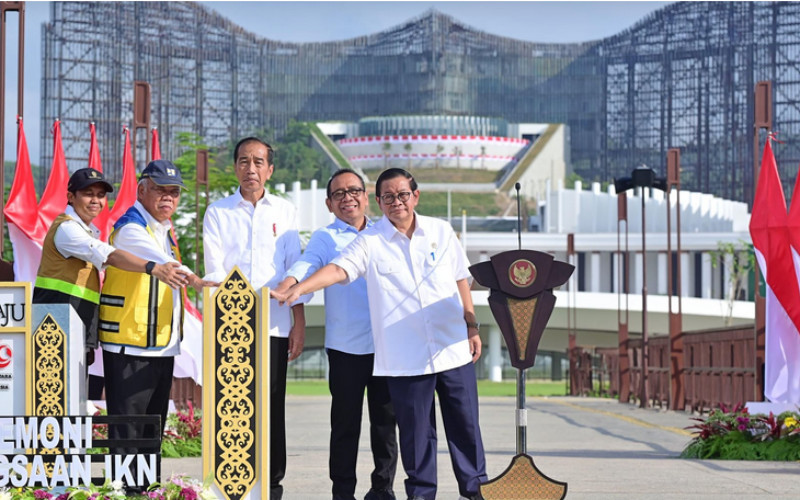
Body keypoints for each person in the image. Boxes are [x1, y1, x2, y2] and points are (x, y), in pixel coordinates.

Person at [272, 168, 487, 500]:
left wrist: (471, 324)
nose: (396, 202)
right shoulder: (360, 241)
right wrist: (295, 289)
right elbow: (331, 269)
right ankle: (398, 494)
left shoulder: (439, 231)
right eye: (388, 196)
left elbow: (461, 277)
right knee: (409, 434)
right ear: (379, 201)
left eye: (402, 195)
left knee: (454, 425)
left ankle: (462, 491)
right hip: (394, 354)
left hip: (441, 346)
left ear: (415, 196)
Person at [276, 169, 398, 500]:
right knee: (344, 426)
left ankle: (382, 490)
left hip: (386, 346)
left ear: (367, 196)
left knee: (385, 426)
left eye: (353, 191)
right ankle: (343, 493)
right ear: (329, 204)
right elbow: (306, 265)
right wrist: (288, 286)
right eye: (339, 194)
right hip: (345, 347)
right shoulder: (325, 238)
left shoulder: (386, 233)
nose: (348, 198)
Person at [203, 137, 307, 500]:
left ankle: (271, 484)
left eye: (259, 162)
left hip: (274, 324)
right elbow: (214, 271)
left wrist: (300, 320)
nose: (251, 168)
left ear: (270, 169)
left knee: (271, 405)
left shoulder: (286, 211)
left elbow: (295, 268)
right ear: (235, 167)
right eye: (244, 161)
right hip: (230, 326)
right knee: (230, 404)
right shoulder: (218, 212)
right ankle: (229, 483)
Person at [98, 160, 213, 480]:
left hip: (160, 344)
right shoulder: (131, 227)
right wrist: (194, 278)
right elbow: (159, 261)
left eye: (174, 192)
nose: (168, 198)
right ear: (142, 189)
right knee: (127, 429)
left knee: (152, 428)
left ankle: (147, 488)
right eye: (161, 190)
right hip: (130, 343)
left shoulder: (165, 231)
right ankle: (124, 490)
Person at [33, 167, 187, 369]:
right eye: (88, 194)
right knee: (57, 395)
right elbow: (110, 256)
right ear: (70, 197)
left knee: (74, 393)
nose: (95, 200)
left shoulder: (84, 229)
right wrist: (153, 268)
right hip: (55, 322)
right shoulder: (67, 229)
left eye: (100, 195)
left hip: (75, 320)